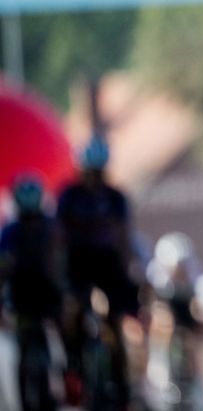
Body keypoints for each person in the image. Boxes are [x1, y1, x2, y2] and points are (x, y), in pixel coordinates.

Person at [57, 135, 141, 408]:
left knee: (113, 319)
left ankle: (122, 381)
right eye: (90, 172)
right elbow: (57, 237)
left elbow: (124, 236)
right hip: (77, 265)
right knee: (72, 315)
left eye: (99, 172)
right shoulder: (69, 196)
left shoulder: (115, 198)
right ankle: (75, 371)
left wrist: (131, 268)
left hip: (108, 266)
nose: (94, 178)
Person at [0, 176, 64, 411]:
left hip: (39, 302)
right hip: (28, 303)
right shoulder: (15, 232)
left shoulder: (47, 229)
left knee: (46, 349)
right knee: (27, 352)